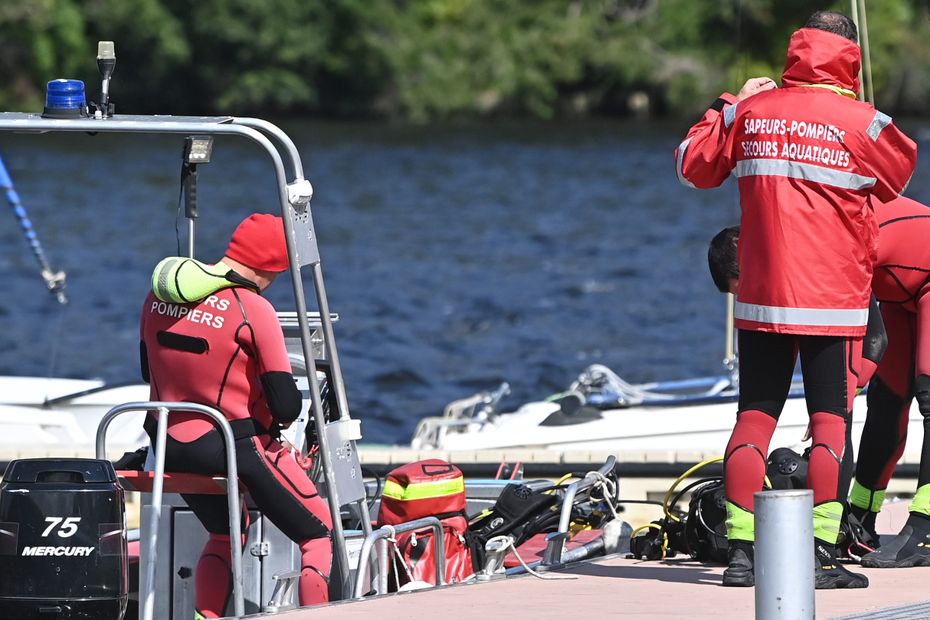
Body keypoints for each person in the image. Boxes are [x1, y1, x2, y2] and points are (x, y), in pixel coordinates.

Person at [677, 10, 917, 589]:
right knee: (830, 422)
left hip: (760, 300)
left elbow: (691, 166)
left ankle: (740, 553)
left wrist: (731, 105)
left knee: (753, 419)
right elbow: (899, 176)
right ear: (850, 58)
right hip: (831, 300)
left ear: (795, 51)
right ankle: (816, 551)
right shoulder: (865, 122)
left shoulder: (752, 110)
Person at [139, 213, 333, 617]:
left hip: (166, 444)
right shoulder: (253, 308)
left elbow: (147, 370)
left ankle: (204, 617)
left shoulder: (159, 298)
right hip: (231, 447)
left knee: (226, 533)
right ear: (274, 266)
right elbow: (285, 405)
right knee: (319, 535)